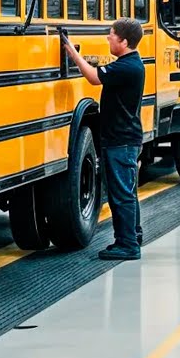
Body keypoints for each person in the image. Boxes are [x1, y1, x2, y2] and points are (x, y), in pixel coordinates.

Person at [61, 18, 146, 261]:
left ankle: (127, 244)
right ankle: (132, 236)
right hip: (123, 139)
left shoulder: (127, 67)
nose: (108, 38)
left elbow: (93, 77)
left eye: (111, 35)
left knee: (121, 194)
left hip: (121, 141)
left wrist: (72, 53)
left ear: (124, 41)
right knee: (127, 191)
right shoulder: (129, 64)